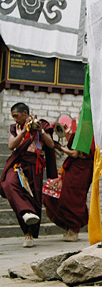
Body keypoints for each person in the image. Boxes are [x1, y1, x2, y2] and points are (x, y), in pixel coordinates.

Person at [0, 103, 57, 247]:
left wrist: (41, 131)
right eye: (13, 116)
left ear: (25, 113)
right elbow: (11, 145)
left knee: (34, 198)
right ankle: (26, 212)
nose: (14, 119)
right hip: (18, 163)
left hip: (35, 165)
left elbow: (50, 145)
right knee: (8, 183)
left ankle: (29, 234)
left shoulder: (41, 124)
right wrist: (23, 132)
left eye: (16, 116)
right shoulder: (15, 128)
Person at [44, 119, 95, 242]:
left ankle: (73, 230)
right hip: (78, 169)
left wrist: (59, 147)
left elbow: (74, 153)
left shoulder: (86, 133)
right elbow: (75, 148)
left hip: (80, 171)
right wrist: (68, 135)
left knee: (72, 199)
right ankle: (70, 228)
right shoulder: (85, 132)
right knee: (69, 197)